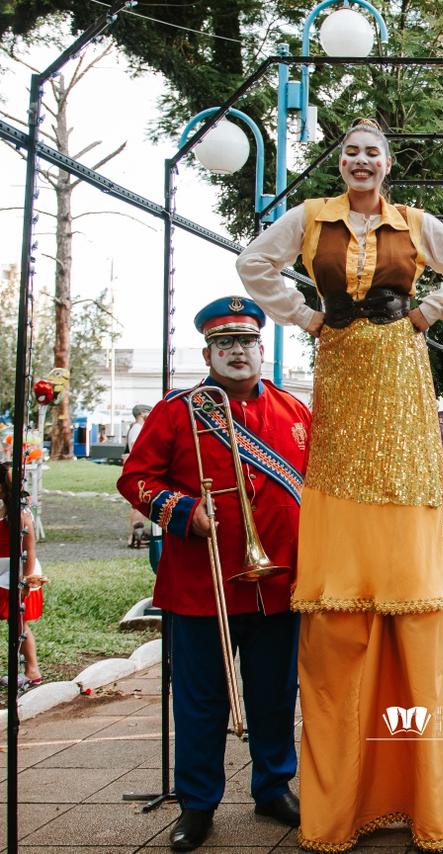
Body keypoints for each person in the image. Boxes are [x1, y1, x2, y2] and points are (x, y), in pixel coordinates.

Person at [236, 118, 443, 852]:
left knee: (403, 471)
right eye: (350, 151)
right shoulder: (310, 218)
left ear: (387, 164)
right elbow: (253, 264)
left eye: (372, 152)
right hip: (341, 366)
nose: (360, 160)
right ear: (340, 162)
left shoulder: (413, 222)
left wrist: (428, 312)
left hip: (403, 367)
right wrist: (306, 316)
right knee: (342, 467)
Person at [118, 297, 310, 852]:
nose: (237, 351)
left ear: (261, 349)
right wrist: (183, 510)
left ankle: (273, 787)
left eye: (246, 341)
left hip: (278, 583)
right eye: (224, 343)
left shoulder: (295, 411)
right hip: (201, 584)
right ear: (207, 353)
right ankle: (197, 804)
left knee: (275, 694)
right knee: (201, 700)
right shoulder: (177, 410)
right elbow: (136, 478)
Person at [1, 460, 45, 692]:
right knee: (15, 623)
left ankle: (32, 669)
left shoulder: (21, 514)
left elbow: (30, 550)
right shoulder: (6, 509)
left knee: (19, 623)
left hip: (16, 574)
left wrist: (26, 580)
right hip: (4, 573)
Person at [124, 403, 154, 549]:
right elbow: (138, 447)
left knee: (137, 504)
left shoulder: (135, 428)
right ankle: (136, 536)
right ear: (142, 413)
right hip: (140, 468)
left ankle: (133, 537)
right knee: (139, 505)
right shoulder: (137, 429)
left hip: (138, 468)